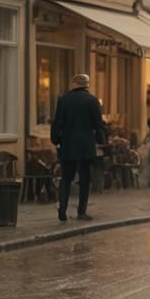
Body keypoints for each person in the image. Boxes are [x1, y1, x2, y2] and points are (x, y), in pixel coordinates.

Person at [50, 74, 106, 222]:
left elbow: (57, 123)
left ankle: (62, 210)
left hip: (68, 144)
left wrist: (56, 140)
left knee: (66, 178)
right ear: (87, 85)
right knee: (85, 179)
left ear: (73, 84)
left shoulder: (64, 99)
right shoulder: (93, 100)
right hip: (86, 145)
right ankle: (81, 212)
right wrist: (102, 141)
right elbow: (99, 124)